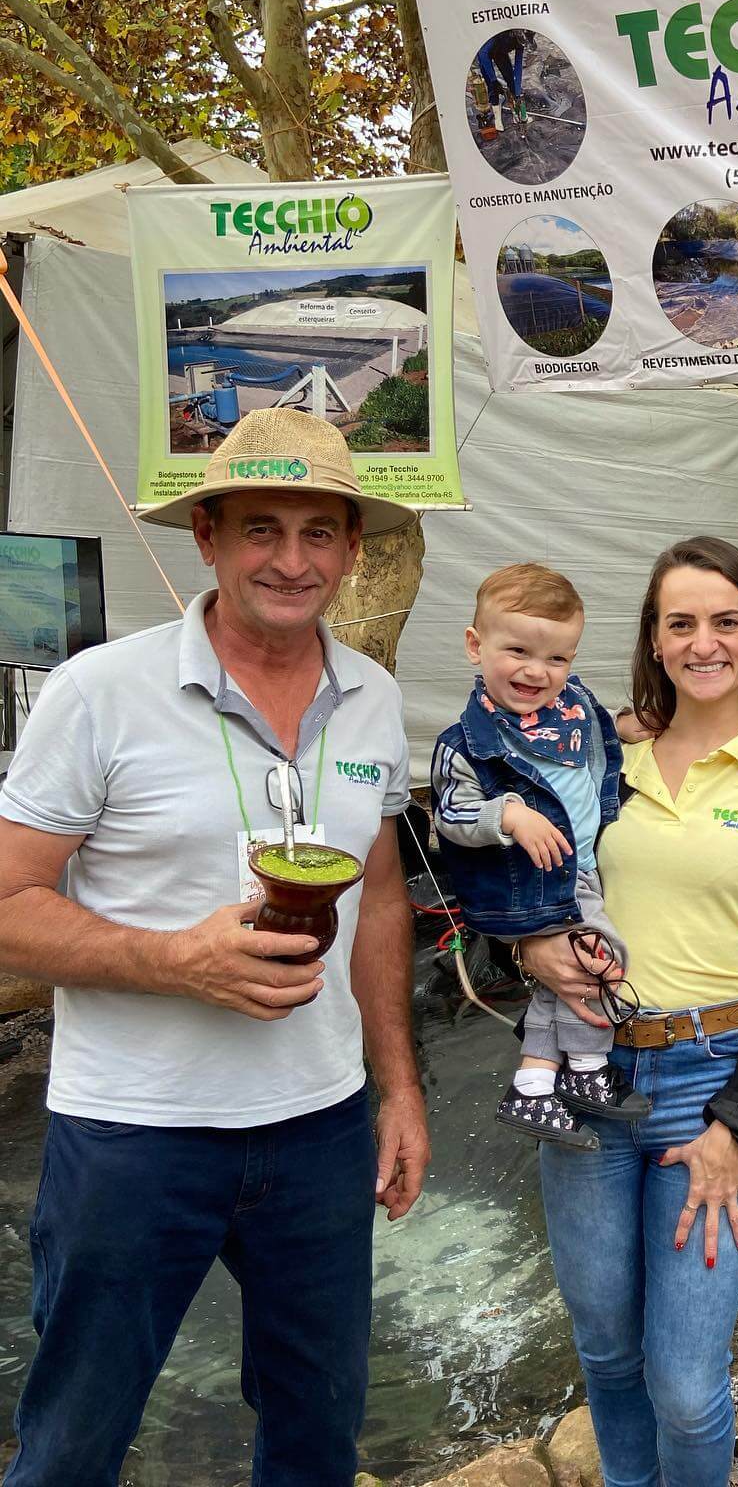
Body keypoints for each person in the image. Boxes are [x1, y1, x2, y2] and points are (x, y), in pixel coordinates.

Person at [0, 407, 430, 1487]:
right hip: (136, 1135)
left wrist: (401, 1090)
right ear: (207, 535)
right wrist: (169, 960)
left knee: (317, 1428)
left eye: (318, 532)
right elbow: (7, 896)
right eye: (261, 530)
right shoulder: (101, 690)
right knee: (74, 1441)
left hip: (318, 1128)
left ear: (349, 546)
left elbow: (380, 899)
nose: (292, 561)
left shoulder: (374, 697)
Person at [519, 535, 738, 1487]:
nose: (702, 642)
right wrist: (524, 948)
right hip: (586, 1074)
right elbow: (525, 901)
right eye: (680, 623)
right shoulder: (597, 767)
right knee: (608, 1349)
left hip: (712, 1079)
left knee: (686, 1379)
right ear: (654, 642)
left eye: (725, 621)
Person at [431, 562, 646, 1147]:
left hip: (578, 869)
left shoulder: (571, 712)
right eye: (519, 650)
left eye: (558, 658)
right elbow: (449, 814)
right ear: (476, 645)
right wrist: (507, 813)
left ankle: (535, 1086)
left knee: (561, 983)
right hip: (535, 882)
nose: (537, 671)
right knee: (602, 961)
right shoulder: (468, 743)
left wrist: (630, 727)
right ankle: (587, 1071)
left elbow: (599, 736)